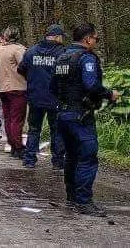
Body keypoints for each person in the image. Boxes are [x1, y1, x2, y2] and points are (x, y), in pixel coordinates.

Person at [51, 23, 121, 217]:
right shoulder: (86, 58)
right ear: (88, 39)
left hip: (62, 113)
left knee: (71, 157)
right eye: (96, 39)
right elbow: (91, 85)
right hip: (80, 115)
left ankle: (72, 197)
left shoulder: (61, 57)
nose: (96, 42)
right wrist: (109, 94)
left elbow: (52, 87)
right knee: (88, 157)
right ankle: (84, 201)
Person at [19, 24, 67, 169]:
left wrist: (32, 78)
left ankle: (29, 160)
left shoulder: (31, 51)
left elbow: (21, 69)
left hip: (35, 96)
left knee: (34, 129)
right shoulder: (63, 53)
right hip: (55, 98)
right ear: (58, 37)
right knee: (57, 130)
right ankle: (58, 162)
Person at [0, 26, 27, 159]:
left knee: (8, 118)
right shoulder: (18, 50)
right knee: (17, 119)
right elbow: (24, 66)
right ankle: (19, 147)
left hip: (2, 87)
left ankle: (13, 145)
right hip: (16, 87)